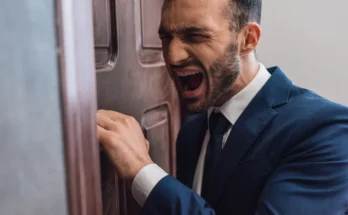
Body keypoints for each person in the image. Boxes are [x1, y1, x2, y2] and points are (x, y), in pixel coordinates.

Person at [96, 0, 348, 214]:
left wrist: (143, 171)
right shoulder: (193, 129)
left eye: (195, 36)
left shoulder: (327, 130)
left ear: (248, 39)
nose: (172, 56)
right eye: (166, 37)